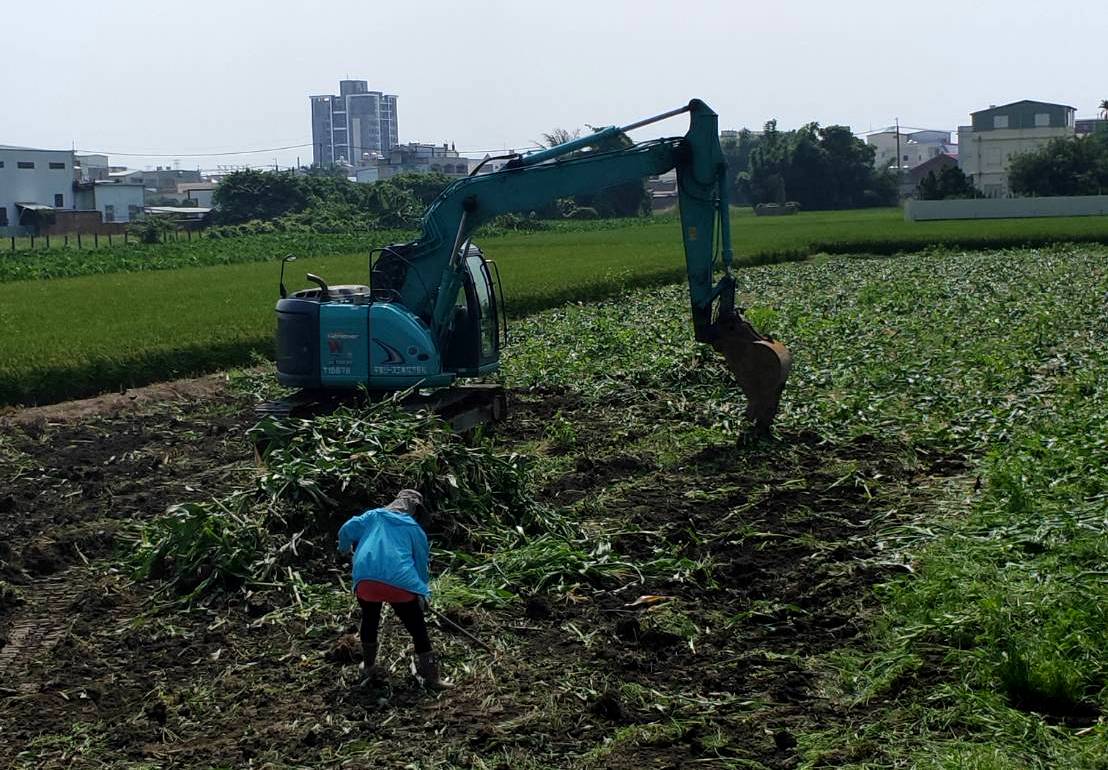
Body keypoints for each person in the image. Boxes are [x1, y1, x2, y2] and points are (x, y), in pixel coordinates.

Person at [336, 489, 451, 689]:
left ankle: (368, 665)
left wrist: (344, 548)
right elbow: (420, 564)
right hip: (400, 582)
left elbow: (346, 529)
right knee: (417, 627)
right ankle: (433, 677)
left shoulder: (373, 516)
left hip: (365, 579)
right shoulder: (414, 529)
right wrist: (422, 593)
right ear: (415, 510)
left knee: (370, 618)